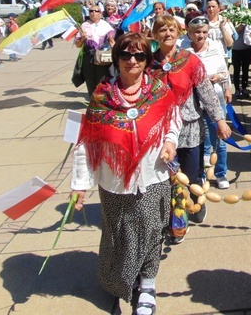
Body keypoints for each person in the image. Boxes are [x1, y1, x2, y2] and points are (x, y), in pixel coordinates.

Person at [71, 33, 180, 315]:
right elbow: (85, 141)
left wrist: (170, 141)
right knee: (120, 233)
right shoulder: (101, 95)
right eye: (126, 55)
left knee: (153, 231)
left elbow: (173, 119)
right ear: (117, 58)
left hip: (153, 175)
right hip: (115, 181)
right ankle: (123, 281)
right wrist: (80, 185)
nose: (132, 61)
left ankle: (147, 284)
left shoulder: (158, 90)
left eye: (139, 55)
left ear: (147, 60)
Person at [149, 14, 230, 238]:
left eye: (171, 30)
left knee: (192, 174)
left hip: (190, 128)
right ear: (155, 35)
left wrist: (219, 120)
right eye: (162, 30)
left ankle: (197, 200)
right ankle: (177, 222)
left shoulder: (190, 61)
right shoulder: (148, 62)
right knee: (167, 179)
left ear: (179, 33)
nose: (167, 34)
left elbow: (206, 93)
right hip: (160, 131)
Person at [182, 16, 233, 189]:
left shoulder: (216, 46)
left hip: (215, 99)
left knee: (220, 137)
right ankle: (201, 173)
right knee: (200, 140)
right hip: (193, 103)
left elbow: (225, 71)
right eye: (197, 32)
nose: (201, 36)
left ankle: (220, 173)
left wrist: (221, 80)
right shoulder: (184, 51)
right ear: (189, 33)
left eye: (204, 32)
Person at [75, 4, 116, 97]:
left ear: (100, 13)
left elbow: (111, 41)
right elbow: (78, 45)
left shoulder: (105, 25)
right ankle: (92, 101)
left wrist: (117, 53)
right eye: (91, 11)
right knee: (90, 81)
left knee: (102, 81)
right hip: (88, 57)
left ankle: (101, 102)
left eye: (96, 11)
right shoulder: (84, 25)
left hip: (102, 58)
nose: (93, 13)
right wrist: (82, 38)